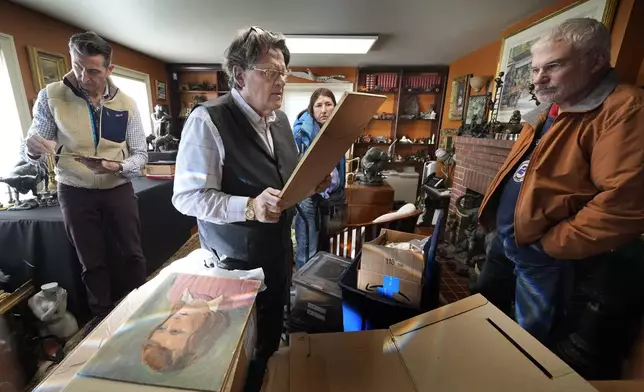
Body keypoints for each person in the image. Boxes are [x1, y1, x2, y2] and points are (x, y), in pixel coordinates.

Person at [172, 26, 330, 388]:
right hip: (233, 264)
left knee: (271, 334)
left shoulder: (282, 121)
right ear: (240, 75)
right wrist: (248, 207)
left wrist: (309, 186)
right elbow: (186, 197)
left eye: (284, 73)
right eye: (271, 72)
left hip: (276, 252)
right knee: (235, 350)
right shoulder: (208, 121)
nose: (282, 81)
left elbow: (284, 184)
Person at [476, 17, 644, 348]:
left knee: (528, 344)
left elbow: (626, 203)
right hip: (508, 240)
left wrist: (550, 245)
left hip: (544, 255)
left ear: (595, 61)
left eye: (553, 66)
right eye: (536, 69)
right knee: (481, 315)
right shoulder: (550, 108)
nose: (539, 78)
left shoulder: (624, 109)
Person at [20, 31, 148, 319]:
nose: (83, 76)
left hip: (118, 187)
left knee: (132, 254)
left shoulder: (127, 103)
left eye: (92, 70)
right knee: (91, 262)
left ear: (108, 70)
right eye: (77, 66)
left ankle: (141, 310)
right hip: (75, 190)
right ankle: (101, 318)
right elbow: (35, 151)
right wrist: (32, 150)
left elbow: (141, 155)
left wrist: (118, 167)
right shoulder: (50, 96)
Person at [293, 88, 346, 269]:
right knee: (308, 244)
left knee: (329, 241)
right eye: (319, 105)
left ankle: (322, 282)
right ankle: (304, 285)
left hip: (332, 195)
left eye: (328, 104)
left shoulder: (338, 129)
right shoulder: (301, 131)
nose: (324, 110)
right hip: (308, 195)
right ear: (312, 109)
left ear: (335, 107)